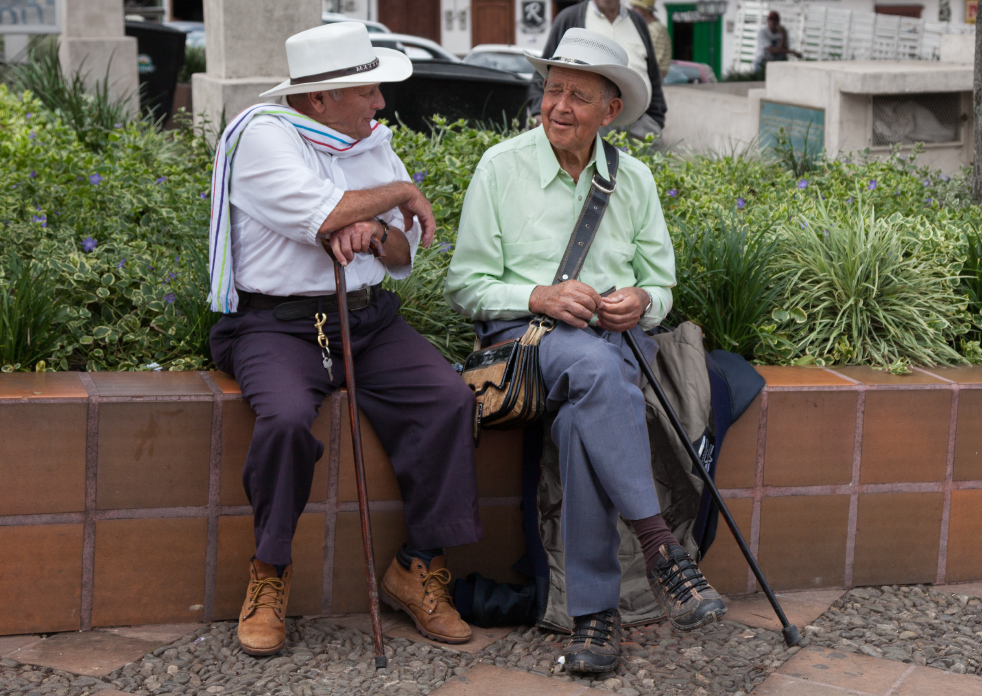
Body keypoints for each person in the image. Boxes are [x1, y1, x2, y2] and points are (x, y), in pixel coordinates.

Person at [445, 29, 725, 674]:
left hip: (612, 351)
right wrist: (538, 295)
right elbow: (464, 285)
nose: (560, 106)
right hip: (528, 345)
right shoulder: (501, 166)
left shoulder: (635, 181)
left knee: (584, 415)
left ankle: (595, 622)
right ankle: (662, 548)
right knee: (594, 368)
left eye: (578, 95)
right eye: (553, 90)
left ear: (611, 111)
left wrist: (639, 302)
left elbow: (661, 288)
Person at [207, 22, 482, 657]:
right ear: (321, 98)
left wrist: (376, 230)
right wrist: (389, 199)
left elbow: (399, 248)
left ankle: (416, 567)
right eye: (369, 92)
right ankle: (270, 573)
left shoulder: (371, 142)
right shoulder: (263, 138)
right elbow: (327, 213)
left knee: (447, 399)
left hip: (364, 317)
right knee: (284, 421)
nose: (381, 104)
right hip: (275, 323)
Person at [528, 0, 667, 150]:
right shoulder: (570, 17)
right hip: (592, 125)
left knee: (648, 172)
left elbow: (653, 74)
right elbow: (546, 73)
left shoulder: (637, 21)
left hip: (640, 124)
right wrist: (538, 112)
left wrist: (655, 119)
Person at [631, 0, 671, 78]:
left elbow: (652, 60)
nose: (632, 9)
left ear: (646, 10)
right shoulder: (648, 27)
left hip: (651, 75)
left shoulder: (655, 29)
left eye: (636, 7)